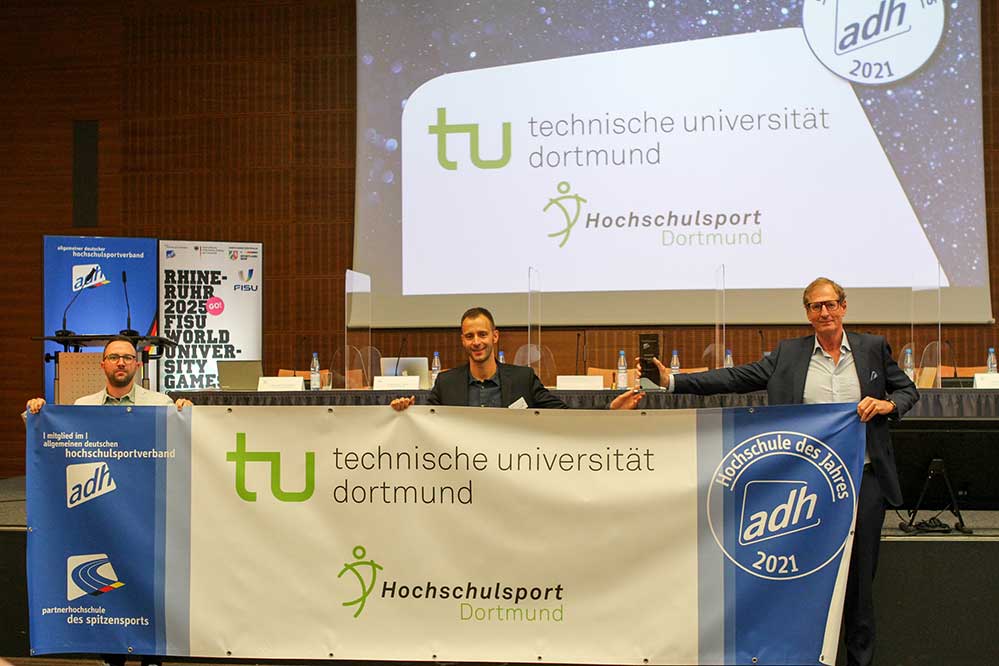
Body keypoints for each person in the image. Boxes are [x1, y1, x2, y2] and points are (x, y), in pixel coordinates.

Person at [640, 277, 918, 666]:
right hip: (802, 486)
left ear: (843, 307)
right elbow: (735, 378)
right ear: (807, 313)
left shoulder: (872, 348)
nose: (824, 312)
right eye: (816, 306)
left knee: (858, 583)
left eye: (830, 305)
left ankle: (859, 660)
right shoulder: (789, 353)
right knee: (796, 576)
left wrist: (888, 405)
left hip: (861, 482)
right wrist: (672, 381)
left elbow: (907, 391)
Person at [391, 307, 644, 411]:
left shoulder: (523, 379)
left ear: (495, 336)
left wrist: (609, 410)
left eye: (482, 334)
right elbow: (423, 425)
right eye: (469, 336)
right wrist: (402, 412)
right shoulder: (447, 383)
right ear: (462, 340)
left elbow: (564, 416)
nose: (476, 342)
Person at [26, 336, 192, 414]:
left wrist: (189, 413)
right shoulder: (83, 406)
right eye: (113, 357)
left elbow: (183, 440)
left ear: (137, 365)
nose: (121, 363)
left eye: (128, 357)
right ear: (103, 365)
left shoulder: (161, 404)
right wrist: (38, 412)